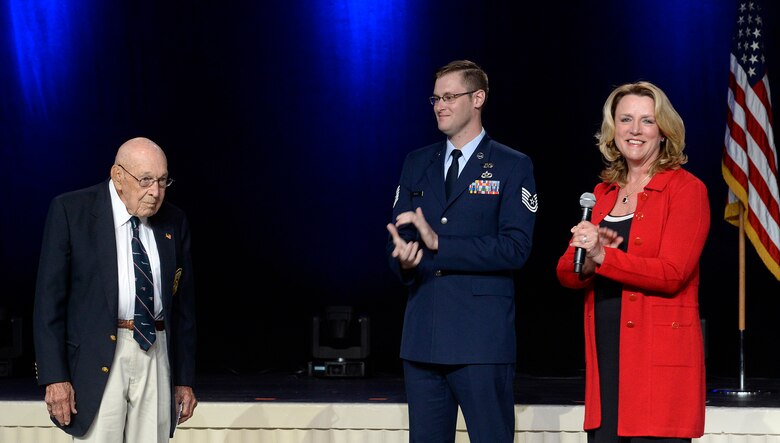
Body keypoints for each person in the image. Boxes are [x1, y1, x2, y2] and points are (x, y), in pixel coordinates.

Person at [386, 59, 538, 443]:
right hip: (423, 338)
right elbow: (399, 241)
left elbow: (515, 248)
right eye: (436, 97)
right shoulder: (417, 162)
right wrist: (403, 260)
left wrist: (441, 244)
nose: (440, 105)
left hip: (480, 341)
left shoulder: (512, 164)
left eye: (450, 96)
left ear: (478, 98)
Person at [556, 81, 709, 443]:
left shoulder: (686, 189)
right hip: (607, 356)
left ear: (664, 131)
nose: (635, 130)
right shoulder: (601, 193)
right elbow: (568, 270)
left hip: (657, 364)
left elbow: (673, 274)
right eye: (625, 119)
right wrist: (589, 260)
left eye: (647, 121)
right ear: (613, 128)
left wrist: (605, 256)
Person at [33, 137, 198, 442]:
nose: (155, 192)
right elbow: (48, 303)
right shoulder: (72, 211)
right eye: (146, 180)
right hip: (99, 352)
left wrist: (184, 380)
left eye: (163, 181)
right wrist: (55, 377)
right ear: (118, 175)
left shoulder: (174, 221)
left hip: (156, 350)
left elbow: (185, 309)